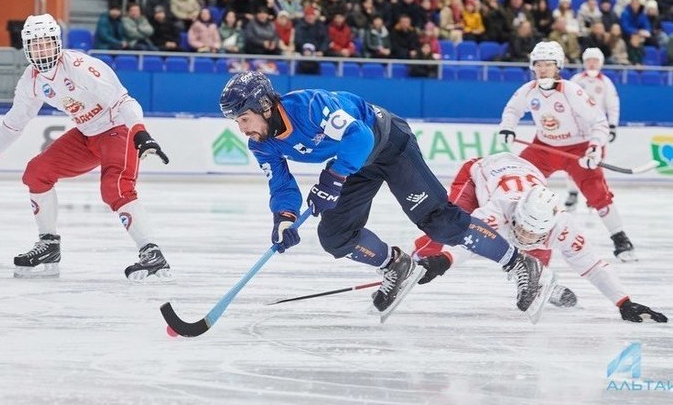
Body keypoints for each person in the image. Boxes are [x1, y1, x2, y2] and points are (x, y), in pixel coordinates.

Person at [218, 71, 553, 318]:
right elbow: (280, 184)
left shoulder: (310, 106)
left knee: (439, 222)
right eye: (237, 121)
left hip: (389, 144)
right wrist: (284, 218)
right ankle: (397, 265)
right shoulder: (262, 144)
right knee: (335, 236)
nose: (242, 128)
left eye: (244, 118)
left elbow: (360, 137)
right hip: (355, 162)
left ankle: (519, 262)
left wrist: (333, 178)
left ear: (264, 106)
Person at [0, 14, 171, 281]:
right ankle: (49, 244)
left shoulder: (81, 67)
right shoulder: (31, 80)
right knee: (36, 172)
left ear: (57, 43)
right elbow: (14, 123)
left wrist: (141, 133)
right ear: (26, 48)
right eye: (35, 45)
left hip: (117, 129)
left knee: (115, 188)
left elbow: (124, 101)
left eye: (47, 43)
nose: (42, 50)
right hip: (87, 134)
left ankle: (151, 252)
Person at [412, 153, 666, 323]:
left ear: (550, 225)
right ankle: (414, 261)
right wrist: (442, 261)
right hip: (480, 172)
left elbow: (592, 265)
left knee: (536, 257)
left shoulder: (562, 225)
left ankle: (539, 278)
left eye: (535, 233)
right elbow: (470, 239)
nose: (524, 237)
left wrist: (624, 302)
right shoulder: (500, 208)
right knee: (444, 226)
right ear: (517, 214)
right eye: (522, 229)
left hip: (527, 173)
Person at [497, 41, 636, 261]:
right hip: (542, 148)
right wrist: (507, 126)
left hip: (577, 148)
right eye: (538, 64)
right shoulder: (528, 90)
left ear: (558, 66)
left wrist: (594, 148)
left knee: (598, 194)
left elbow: (599, 121)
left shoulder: (572, 90)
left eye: (548, 64)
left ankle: (621, 239)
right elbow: (513, 109)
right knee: (517, 180)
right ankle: (510, 232)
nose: (542, 69)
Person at [564, 48, 620, 210]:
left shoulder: (606, 82)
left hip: (597, 130)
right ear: (584, 62)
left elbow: (613, 105)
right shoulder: (576, 80)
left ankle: (593, 195)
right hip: (577, 130)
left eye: (595, 60)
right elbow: (566, 102)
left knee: (596, 163)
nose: (592, 63)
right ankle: (572, 193)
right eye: (589, 60)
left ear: (601, 63)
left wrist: (613, 125)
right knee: (572, 162)